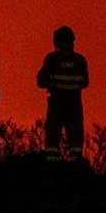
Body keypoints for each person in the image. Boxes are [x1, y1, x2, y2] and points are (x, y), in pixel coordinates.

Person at [36, 25, 90, 162]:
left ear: (56, 42)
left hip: (56, 104)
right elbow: (85, 82)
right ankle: (75, 163)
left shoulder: (52, 59)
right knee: (75, 136)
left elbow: (41, 81)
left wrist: (54, 83)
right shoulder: (80, 60)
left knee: (53, 134)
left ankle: (53, 163)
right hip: (74, 104)